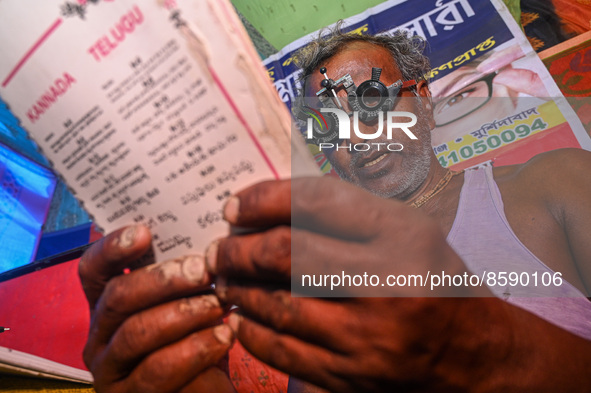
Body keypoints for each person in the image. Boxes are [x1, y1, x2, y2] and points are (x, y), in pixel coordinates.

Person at [78, 29, 591, 392]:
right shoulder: (320, 276)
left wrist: (484, 349)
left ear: (427, 99)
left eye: (373, 100)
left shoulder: (556, 181)